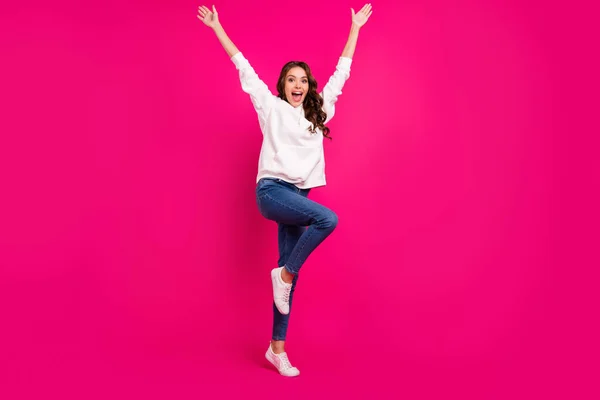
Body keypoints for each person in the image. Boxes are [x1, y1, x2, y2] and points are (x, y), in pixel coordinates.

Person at [197, 3, 373, 377]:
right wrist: (216, 27)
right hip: (272, 192)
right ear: (283, 85)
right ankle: (286, 275)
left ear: (309, 87)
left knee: (286, 278)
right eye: (292, 80)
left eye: (303, 81)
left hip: (299, 196)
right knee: (326, 222)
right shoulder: (271, 107)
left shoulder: (319, 111)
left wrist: (355, 28)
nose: (298, 86)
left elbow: (343, 72)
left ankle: (277, 349)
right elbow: (242, 65)